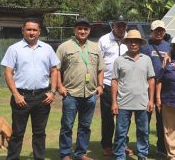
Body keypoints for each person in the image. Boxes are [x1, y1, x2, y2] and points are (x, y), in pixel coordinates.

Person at [1, 18, 59, 160]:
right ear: (23, 31)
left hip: (42, 97)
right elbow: (8, 73)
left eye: (34, 30)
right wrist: (16, 94)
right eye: (28, 29)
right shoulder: (13, 49)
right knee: (17, 133)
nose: (31, 32)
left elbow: (54, 71)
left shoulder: (47, 49)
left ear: (39, 31)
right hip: (21, 97)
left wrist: (52, 92)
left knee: (39, 133)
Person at [57, 18, 105, 160]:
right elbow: (56, 69)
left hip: (90, 94)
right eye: (80, 28)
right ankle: (65, 154)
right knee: (67, 126)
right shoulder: (64, 47)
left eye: (85, 29)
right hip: (71, 93)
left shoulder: (95, 47)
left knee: (85, 126)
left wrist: (100, 86)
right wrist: (60, 86)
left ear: (89, 31)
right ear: (74, 30)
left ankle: (81, 153)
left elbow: (100, 69)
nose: (82, 31)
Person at [111, 29, 155, 160]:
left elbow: (151, 80)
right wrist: (114, 102)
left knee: (143, 131)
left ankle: (142, 154)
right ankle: (119, 155)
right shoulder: (119, 60)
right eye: (131, 41)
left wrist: (151, 100)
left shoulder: (146, 59)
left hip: (142, 102)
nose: (133, 44)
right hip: (123, 103)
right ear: (127, 43)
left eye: (136, 41)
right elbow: (114, 81)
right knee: (120, 132)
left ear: (140, 43)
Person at [98, 15, 132, 156]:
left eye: (123, 25)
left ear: (126, 26)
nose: (121, 28)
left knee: (124, 118)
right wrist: (99, 84)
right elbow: (98, 62)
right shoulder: (104, 40)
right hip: (107, 84)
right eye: (118, 25)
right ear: (113, 25)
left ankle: (122, 143)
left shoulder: (130, 40)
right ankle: (107, 145)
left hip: (125, 86)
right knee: (107, 118)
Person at [141, 19, 171, 155]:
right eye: (156, 30)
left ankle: (161, 147)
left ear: (164, 32)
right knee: (144, 119)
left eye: (161, 30)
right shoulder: (145, 46)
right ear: (151, 31)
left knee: (162, 120)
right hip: (146, 88)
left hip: (163, 88)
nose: (159, 33)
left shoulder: (169, 47)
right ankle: (144, 148)